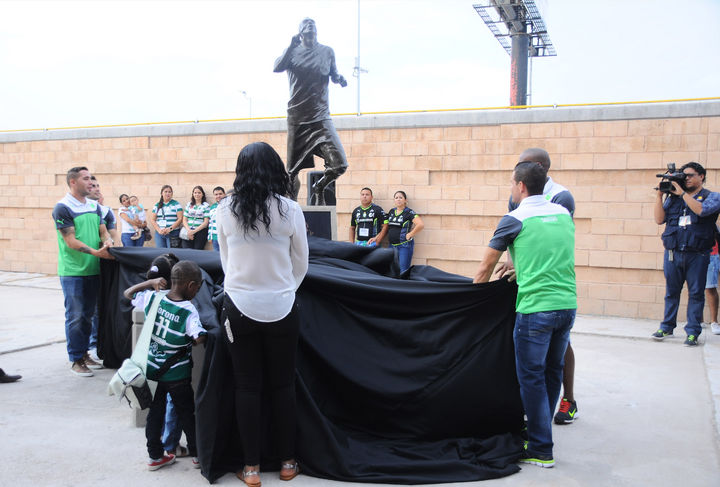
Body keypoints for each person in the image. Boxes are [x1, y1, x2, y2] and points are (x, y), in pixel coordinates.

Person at [216, 142, 309, 486]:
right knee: (283, 386)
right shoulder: (291, 209)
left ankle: (252, 469)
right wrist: (283, 289)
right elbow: (301, 262)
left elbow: (225, 261)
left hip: (238, 307)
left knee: (246, 387)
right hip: (282, 306)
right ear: (275, 169)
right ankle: (288, 463)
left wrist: (244, 288)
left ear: (240, 170)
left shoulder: (223, 209)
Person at [474, 161, 576, 468]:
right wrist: (523, 266)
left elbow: (485, 267)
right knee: (552, 372)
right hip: (567, 305)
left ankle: (541, 448)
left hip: (535, 310)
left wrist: (470, 302)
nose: (511, 188)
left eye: (511, 183)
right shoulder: (562, 213)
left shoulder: (514, 219)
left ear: (521, 186)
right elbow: (551, 253)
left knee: (531, 378)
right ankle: (539, 433)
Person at [498, 148, 578, 426]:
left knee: (557, 351)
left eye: (522, 164)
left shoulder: (561, 197)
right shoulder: (518, 196)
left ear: (539, 167)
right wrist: (513, 262)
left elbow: (554, 241)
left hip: (550, 285)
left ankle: (568, 400)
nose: (516, 169)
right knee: (538, 358)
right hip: (530, 281)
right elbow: (516, 236)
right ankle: (536, 417)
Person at [123, 260, 207, 471]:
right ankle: (197, 455)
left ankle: (155, 456)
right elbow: (198, 337)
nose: (197, 292)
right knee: (187, 414)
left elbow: (128, 294)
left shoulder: (153, 297)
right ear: (190, 285)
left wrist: (149, 283)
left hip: (153, 371)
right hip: (178, 375)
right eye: (197, 288)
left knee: (155, 414)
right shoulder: (188, 310)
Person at [274, 18, 348, 205]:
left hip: (321, 117)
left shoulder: (327, 52)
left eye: (312, 26)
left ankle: (319, 187)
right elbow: (277, 67)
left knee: (339, 164)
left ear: (316, 32)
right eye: (306, 26)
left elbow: (333, 74)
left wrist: (339, 79)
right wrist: (290, 47)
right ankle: (291, 207)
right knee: (292, 172)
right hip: (298, 118)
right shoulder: (292, 53)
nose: (310, 27)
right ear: (300, 33)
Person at [52, 166, 113, 377]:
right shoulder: (62, 207)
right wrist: (96, 252)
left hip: (93, 269)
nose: (90, 182)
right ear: (73, 182)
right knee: (76, 316)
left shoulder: (94, 206)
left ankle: (85, 353)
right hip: (73, 272)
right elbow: (70, 240)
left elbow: (102, 230)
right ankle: (76, 359)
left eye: (90, 178)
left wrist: (108, 241)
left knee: (88, 316)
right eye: (85, 179)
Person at [652, 162, 720, 346]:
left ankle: (692, 332)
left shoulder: (712, 197)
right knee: (671, 292)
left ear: (701, 176)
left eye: (690, 175)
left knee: (696, 294)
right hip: (673, 253)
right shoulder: (673, 199)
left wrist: (682, 194)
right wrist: (659, 196)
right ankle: (667, 327)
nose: (686, 178)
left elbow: (701, 210)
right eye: (684, 176)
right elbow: (659, 219)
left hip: (698, 255)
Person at [386, 190, 424, 273]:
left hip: (404, 246)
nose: (398, 199)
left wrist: (410, 234)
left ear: (405, 200)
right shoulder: (391, 211)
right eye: (396, 198)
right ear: (394, 200)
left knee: (403, 271)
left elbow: (420, 224)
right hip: (392, 246)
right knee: (392, 271)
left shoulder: (409, 212)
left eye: (401, 197)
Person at [704, 240, 720, 335]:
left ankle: (714, 322)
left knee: (710, 288)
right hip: (693, 254)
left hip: (711, 253)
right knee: (694, 288)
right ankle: (698, 320)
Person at [207, 186, 226, 251]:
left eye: (220, 194)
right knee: (216, 255)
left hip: (225, 237)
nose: (218, 196)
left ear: (224, 194)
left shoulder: (228, 206)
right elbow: (211, 222)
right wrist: (210, 236)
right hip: (215, 237)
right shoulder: (212, 207)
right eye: (216, 194)